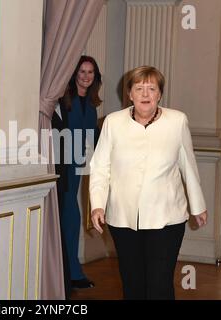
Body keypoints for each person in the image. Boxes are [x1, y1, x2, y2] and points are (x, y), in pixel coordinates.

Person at [89, 65, 208, 300]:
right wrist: (97, 204)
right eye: (139, 88)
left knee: (159, 284)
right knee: (133, 284)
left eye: (151, 88)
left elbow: (188, 164)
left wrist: (198, 205)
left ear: (159, 94)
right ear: (130, 94)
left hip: (167, 217)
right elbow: (100, 167)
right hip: (123, 218)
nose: (145, 94)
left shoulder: (177, 121)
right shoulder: (112, 122)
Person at [52, 55, 102, 292]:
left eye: (90, 72)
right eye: (81, 72)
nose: (85, 76)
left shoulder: (92, 105)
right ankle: (69, 272)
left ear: (95, 77)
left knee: (72, 216)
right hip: (61, 164)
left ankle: (71, 271)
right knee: (70, 216)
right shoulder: (62, 100)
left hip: (80, 164)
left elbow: (92, 138)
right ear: (74, 75)